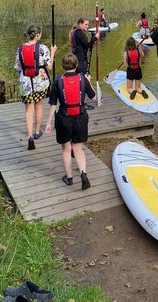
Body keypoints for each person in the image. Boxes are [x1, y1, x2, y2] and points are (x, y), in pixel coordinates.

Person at [45, 52, 95, 190]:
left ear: (63, 66)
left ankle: (69, 178)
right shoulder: (82, 79)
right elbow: (94, 97)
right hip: (80, 117)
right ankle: (83, 174)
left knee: (66, 150)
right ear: (77, 65)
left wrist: (48, 123)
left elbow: (53, 104)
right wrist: (89, 81)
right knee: (78, 148)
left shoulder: (58, 81)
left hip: (64, 118)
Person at [14, 24, 57, 150]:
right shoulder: (42, 48)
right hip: (40, 82)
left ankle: (29, 136)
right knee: (38, 106)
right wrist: (53, 52)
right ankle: (37, 131)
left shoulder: (20, 48)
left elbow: (17, 67)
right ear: (38, 35)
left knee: (28, 110)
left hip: (25, 82)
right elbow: (49, 66)